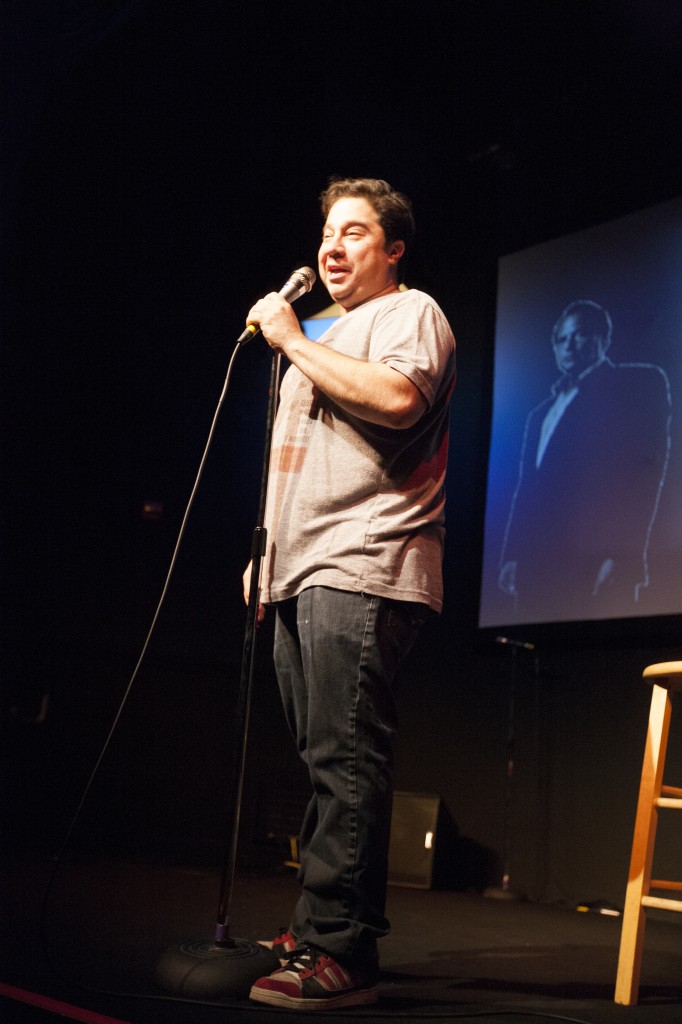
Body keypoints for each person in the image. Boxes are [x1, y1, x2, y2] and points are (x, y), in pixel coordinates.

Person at [241, 177, 456, 1010]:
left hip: (363, 562)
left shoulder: (410, 314)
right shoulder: (320, 336)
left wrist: (292, 339)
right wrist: (265, 555)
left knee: (346, 759)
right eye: (327, 232)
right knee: (320, 760)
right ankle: (316, 927)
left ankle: (345, 950)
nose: (332, 247)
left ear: (392, 249)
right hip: (299, 565)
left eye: (355, 232)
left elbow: (400, 401)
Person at [499, 299, 671, 623]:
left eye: (578, 335)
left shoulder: (637, 384)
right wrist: (512, 557)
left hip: (595, 564)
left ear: (602, 340)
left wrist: (621, 554)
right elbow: (526, 491)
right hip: (536, 568)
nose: (569, 346)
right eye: (561, 340)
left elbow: (644, 478)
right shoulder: (539, 415)